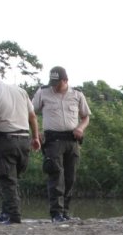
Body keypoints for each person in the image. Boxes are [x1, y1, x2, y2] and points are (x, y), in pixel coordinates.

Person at [0, 70, 41, 224]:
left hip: (5, 140)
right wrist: (36, 137)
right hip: (24, 140)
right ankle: (5, 212)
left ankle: (13, 215)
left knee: (7, 179)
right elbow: (32, 116)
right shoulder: (20, 91)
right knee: (13, 178)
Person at [31, 66, 91, 222]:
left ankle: (65, 212)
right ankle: (56, 213)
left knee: (70, 177)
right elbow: (30, 113)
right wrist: (36, 133)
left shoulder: (77, 94)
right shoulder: (43, 92)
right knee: (56, 175)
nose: (54, 86)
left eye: (57, 82)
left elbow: (85, 117)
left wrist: (80, 128)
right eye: (52, 82)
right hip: (53, 140)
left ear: (65, 80)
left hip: (72, 140)